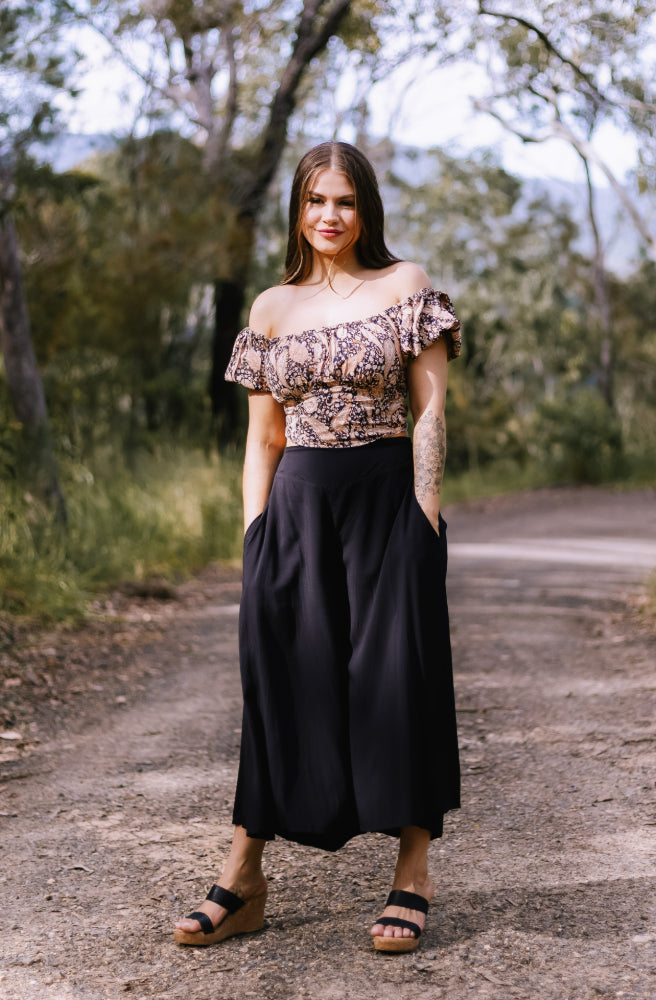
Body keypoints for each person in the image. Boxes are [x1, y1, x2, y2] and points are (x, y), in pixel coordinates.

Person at [174, 141, 461, 954]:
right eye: (314, 202)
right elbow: (263, 440)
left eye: (342, 201)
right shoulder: (270, 307)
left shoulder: (404, 287)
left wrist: (425, 523)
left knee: (398, 677)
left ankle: (413, 873)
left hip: (385, 505)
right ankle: (245, 875)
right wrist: (255, 535)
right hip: (295, 510)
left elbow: (430, 412)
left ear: (364, 207)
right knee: (277, 683)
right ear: (296, 211)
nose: (328, 216)